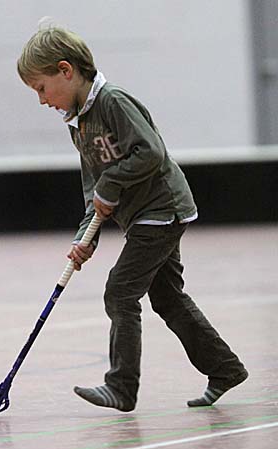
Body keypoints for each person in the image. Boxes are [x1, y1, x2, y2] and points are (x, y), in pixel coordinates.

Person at [17, 25, 248, 412]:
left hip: (162, 210)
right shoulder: (78, 123)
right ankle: (225, 369)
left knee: (120, 292)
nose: (41, 100)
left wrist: (111, 184)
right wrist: (86, 237)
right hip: (144, 217)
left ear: (66, 70)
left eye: (41, 88)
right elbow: (94, 190)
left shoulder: (113, 102)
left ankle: (122, 387)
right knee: (168, 298)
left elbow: (150, 152)